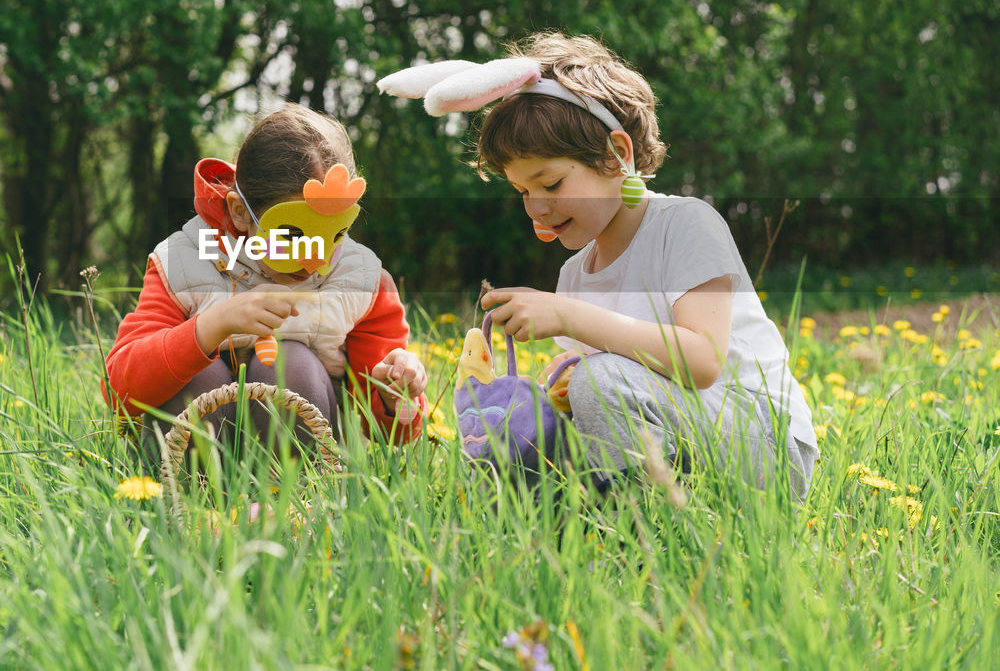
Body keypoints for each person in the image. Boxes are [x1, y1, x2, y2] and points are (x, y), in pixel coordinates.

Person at [379, 33, 818, 497]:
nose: (535, 208)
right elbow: (618, 389)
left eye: (550, 183)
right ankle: (573, 517)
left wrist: (570, 319)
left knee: (599, 380)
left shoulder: (686, 224)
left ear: (617, 155)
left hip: (768, 450)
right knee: (532, 425)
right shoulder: (574, 274)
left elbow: (702, 362)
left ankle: (629, 529)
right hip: (684, 449)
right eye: (523, 191)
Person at [103, 104, 428, 467]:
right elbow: (118, 391)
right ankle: (194, 507)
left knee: (290, 365)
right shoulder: (183, 262)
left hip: (302, 467)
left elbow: (395, 434)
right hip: (192, 467)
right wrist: (212, 326)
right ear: (241, 212)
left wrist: (391, 392)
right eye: (292, 234)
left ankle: (297, 508)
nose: (316, 259)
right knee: (202, 375)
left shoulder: (360, 280)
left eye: (335, 233)